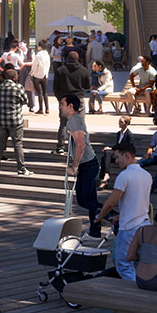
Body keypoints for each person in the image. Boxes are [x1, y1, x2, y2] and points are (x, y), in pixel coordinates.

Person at [99, 145, 153, 282]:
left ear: (127, 155)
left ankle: (137, 296)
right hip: (144, 224)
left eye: (117, 157)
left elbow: (111, 202)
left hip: (129, 227)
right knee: (138, 263)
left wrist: (99, 217)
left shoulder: (125, 175)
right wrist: (118, 216)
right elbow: (139, 202)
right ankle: (144, 291)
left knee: (123, 265)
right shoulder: (146, 175)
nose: (116, 161)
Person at [61, 95, 103, 233]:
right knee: (91, 199)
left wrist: (74, 166)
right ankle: (95, 230)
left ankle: (113, 215)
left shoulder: (74, 120)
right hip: (89, 163)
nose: (60, 106)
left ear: (70, 106)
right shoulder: (75, 119)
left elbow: (80, 144)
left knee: (84, 199)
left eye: (62, 104)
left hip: (88, 164)